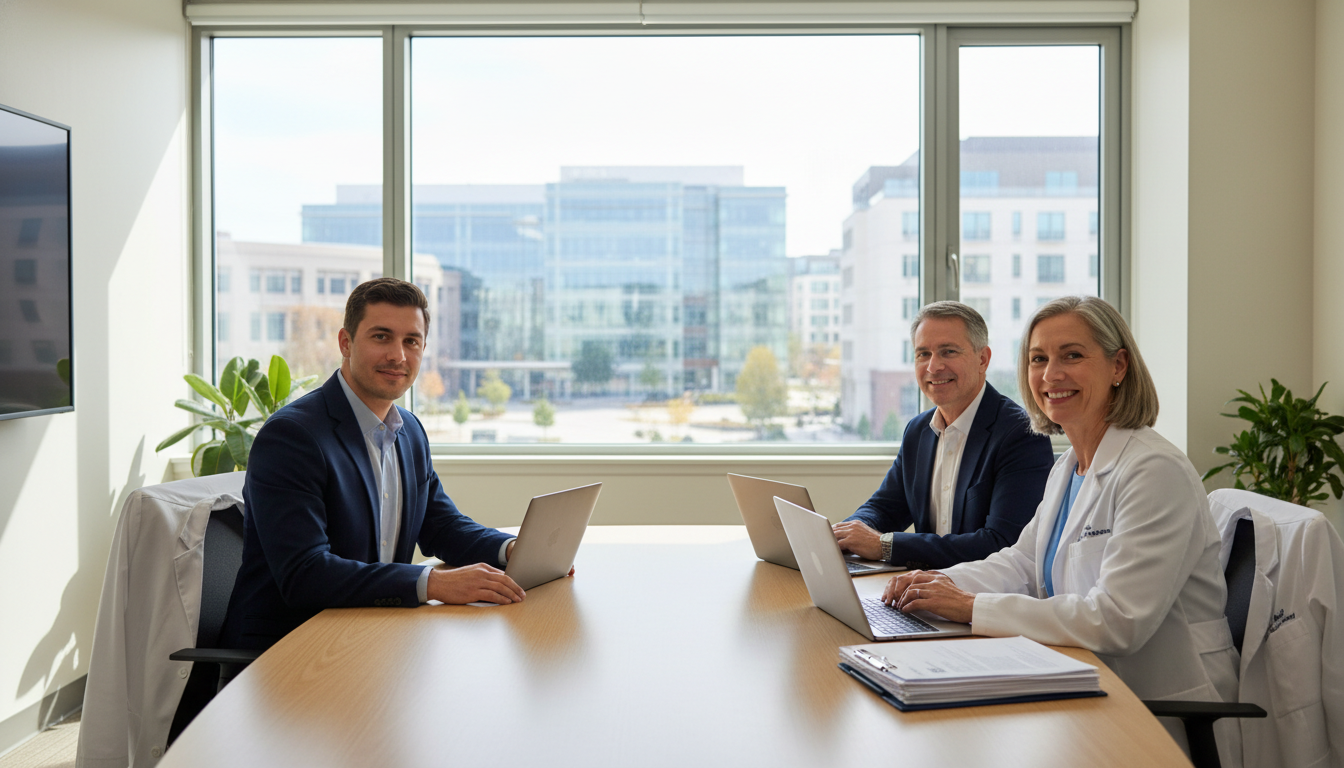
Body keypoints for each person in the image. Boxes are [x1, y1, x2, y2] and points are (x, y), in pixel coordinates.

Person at [882, 296, 1237, 746]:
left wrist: (970, 607)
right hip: (1082, 682)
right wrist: (933, 582)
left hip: (1157, 706)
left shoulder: (1154, 471)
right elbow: (1022, 563)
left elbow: (1116, 621)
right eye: (1038, 359)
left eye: (1072, 355)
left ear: (1118, 366)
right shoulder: (1069, 465)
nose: (1051, 375)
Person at [220, 278, 537, 651]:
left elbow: (442, 526)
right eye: (382, 337)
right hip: (289, 651)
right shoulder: (293, 437)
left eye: (411, 341)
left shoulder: (410, 431)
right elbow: (305, 574)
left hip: (374, 635)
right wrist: (432, 583)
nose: (398, 356)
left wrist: (513, 550)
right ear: (346, 342)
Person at [832, 301, 1054, 570]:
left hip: (983, 599)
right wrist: (843, 535)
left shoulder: (1021, 434)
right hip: (923, 592)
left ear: (982, 359)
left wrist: (885, 545)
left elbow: (1002, 544)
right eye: (923, 354)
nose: (933, 367)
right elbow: (884, 508)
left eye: (948, 352)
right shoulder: (917, 431)